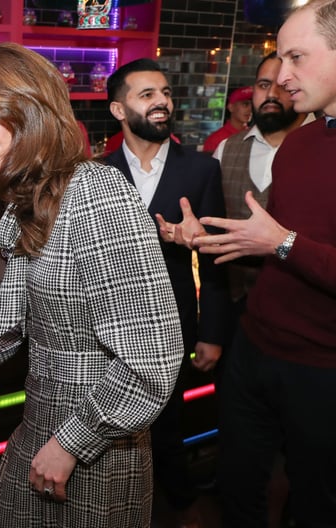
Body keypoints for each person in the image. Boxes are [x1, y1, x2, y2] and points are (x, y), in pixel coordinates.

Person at [0, 43, 184, 527]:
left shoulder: (96, 197)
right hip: (45, 430)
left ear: (27, 109)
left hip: (96, 451)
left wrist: (71, 443)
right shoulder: (38, 199)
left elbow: (153, 362)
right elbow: (7, 328)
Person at [187, 0, 336, 525]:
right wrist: (219, 239)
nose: (282, 78)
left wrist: (281, 242)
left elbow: (289, 243)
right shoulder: (302, 142)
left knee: (314, 503)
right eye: (279, 60)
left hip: (331, 370)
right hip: (254, 350)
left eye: (297, 58)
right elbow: (277, 241)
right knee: (238, 488)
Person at [103, 57, 231, 526]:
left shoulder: (200, 171)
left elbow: (216, 261)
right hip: (106, 327)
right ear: (119, 110)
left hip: (174, 326)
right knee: (112, 426)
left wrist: (212, 332)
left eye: (165, 94)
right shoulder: (95, 174)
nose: (162, 103)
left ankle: (176, 504)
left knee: (167, 424)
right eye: (147, 95)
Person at [213, 52, 308, 307]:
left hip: (297, 306)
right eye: (264, 85)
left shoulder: (322, 149)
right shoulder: (226, 150)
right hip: (233, 303)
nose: (272, 95)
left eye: (283, 86)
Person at [201, 85, 253, 153]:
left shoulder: (255, 136)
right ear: (231, 107)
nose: (250, 109)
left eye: (253, 105)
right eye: (245, 104)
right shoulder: (215, 140)